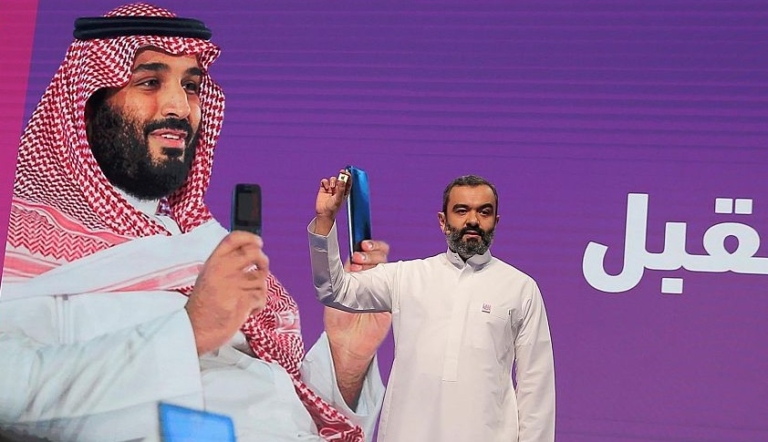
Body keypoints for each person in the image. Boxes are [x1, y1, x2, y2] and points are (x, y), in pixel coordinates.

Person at [0, 3, 392, 442]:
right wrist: (190, 331)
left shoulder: (199, 244)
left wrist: (347, 358)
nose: (179, 106)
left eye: (191, 86)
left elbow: (277, 406)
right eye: (149, 82)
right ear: (86, 106)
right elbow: (10, 394)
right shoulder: (22, 244)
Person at [308, 172, 556, 442]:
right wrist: (325, 219)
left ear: (495, 222)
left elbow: (536, 385)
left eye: (484, 212)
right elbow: (334, 289)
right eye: (461, 210)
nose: (473, 220)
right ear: (442, 221)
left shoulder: (520, 288)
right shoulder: (407, 277)